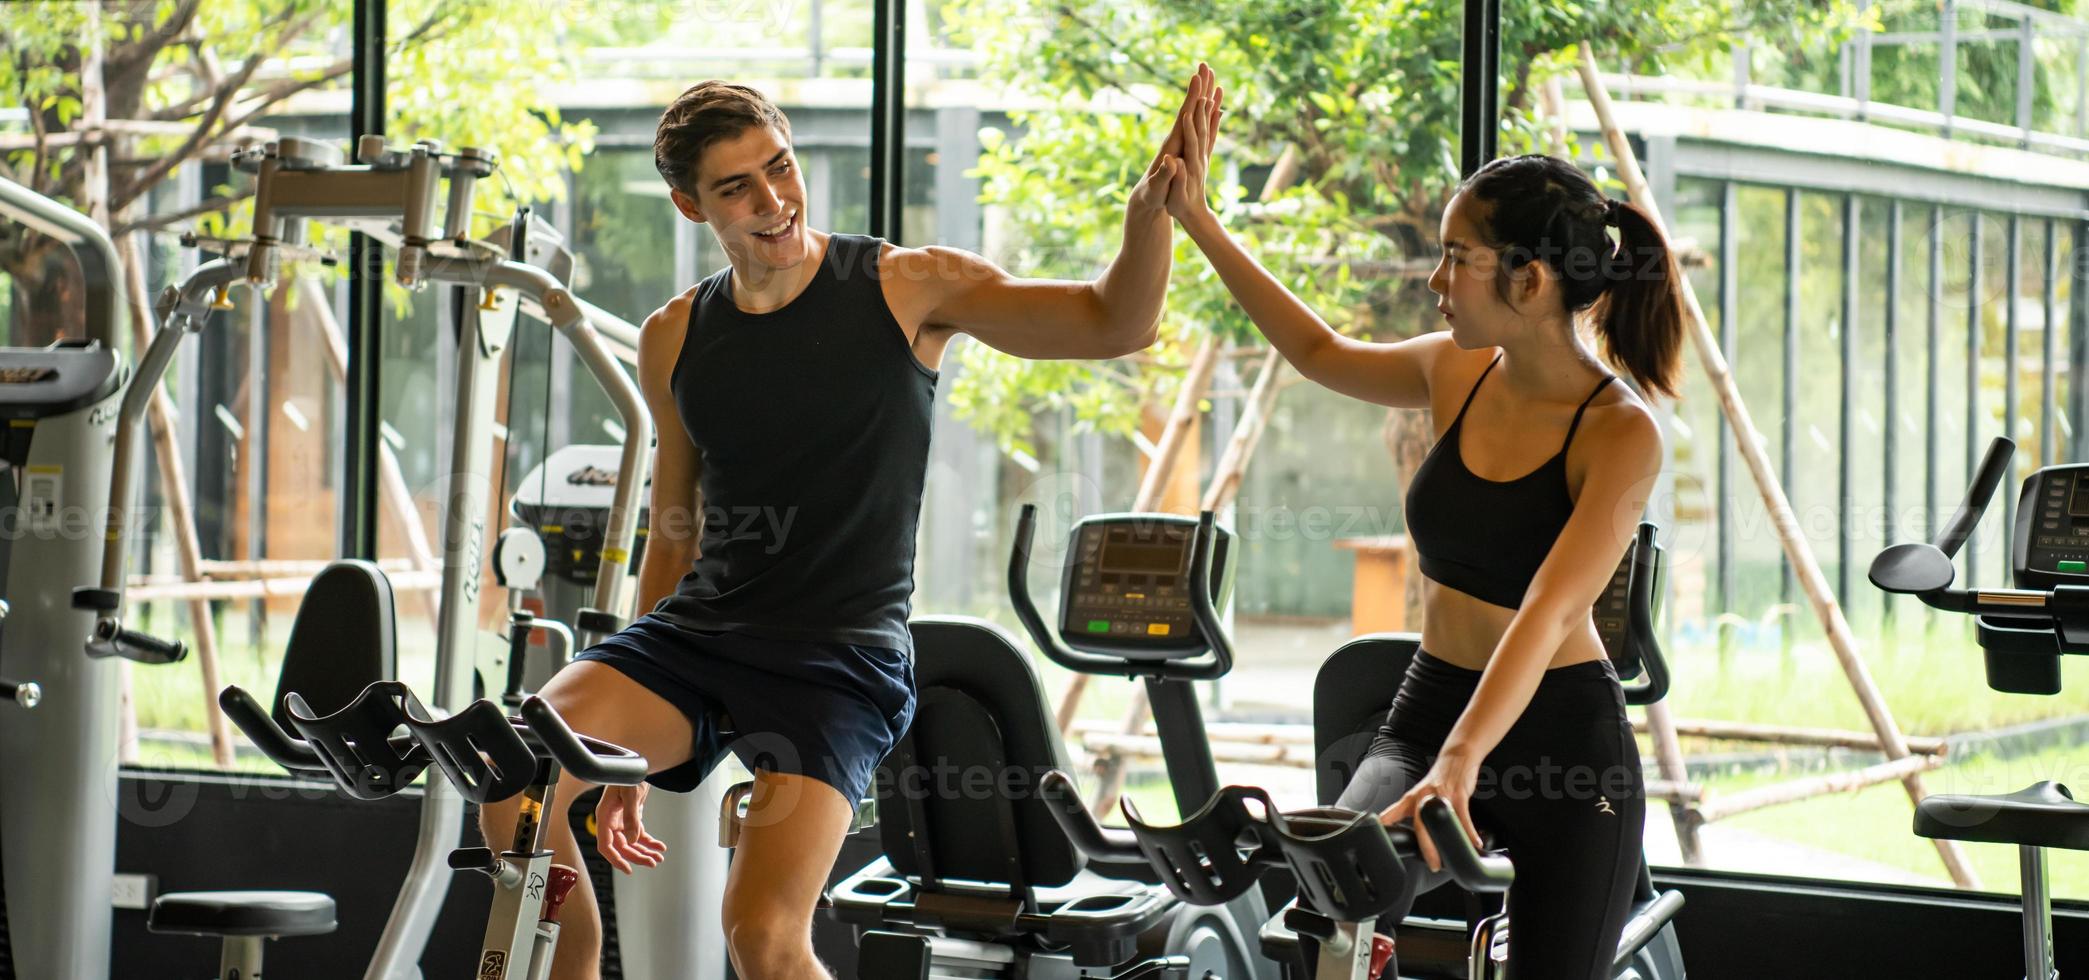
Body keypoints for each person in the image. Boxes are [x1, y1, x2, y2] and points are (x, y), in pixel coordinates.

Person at [473, 67, 1220, 980]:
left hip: (837, 656)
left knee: (762, 937)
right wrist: (615, 761)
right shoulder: (675, 334)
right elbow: (675, 527)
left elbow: (1115, 322)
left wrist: (1152, 214)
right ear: (687, 203)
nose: (772, 200)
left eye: (779, 168)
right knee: (517, 784)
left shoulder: (905, 287)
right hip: (699, 635)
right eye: (735, 187)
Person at [1160, 73, 1684, 980]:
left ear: (1526, 278)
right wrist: (1200, 219)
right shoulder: (1454, 370)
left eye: (1456, 258)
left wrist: (1464, 762)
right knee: (1333, 907)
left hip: (1564, 741)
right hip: (1431, 701)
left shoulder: (1619, 430)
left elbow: (1550, 614)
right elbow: (1320, 353)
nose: (1435, 280)